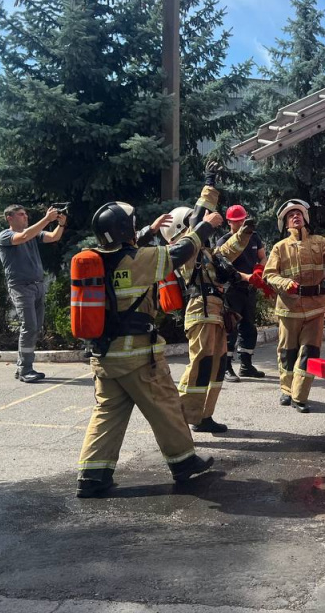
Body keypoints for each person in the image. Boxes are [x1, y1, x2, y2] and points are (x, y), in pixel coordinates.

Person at [75, 200, 217, 498]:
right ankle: (183, 462)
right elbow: (179, 252)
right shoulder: (140, 260)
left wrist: (149, 231)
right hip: (138, 357)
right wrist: (205, 226)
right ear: (125, 229)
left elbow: (125, 250)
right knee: (166, 406)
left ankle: (92, 475)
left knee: (107, 414)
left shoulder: (98, 261)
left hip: (105, 357)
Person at [164, 171, 257, 435]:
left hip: (214, 311)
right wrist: (209, 186)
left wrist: (244, 233)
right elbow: (198, 221)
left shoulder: (204, 252)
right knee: (201, 364)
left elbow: (226, 252)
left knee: (216, 365)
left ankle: (203, 416)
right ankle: (180, 418)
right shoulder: (185, 251)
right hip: (200, 310)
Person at [263, 199, 325, 413]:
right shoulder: (280, 247)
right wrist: (285, 283)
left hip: (315, 308)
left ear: (305, 218)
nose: (296, 216)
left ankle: (299, 396)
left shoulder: (320, 242)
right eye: (291, 215)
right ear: (285, 224)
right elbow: (269, 275)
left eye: (298, 213)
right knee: (287, 352)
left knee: (309, 353)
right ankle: (286, 390)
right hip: (289, 309)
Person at [0, 204, 67, 383]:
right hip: (21, 287)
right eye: (21, 214)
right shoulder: (5, 236)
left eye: (26, 214)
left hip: (37, 286)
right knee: (28, 326)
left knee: (35, 327)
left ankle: (23, 367)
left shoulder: (32, 233)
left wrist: (61, 224)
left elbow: (53, 237)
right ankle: (25, 370)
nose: (25, 216)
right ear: (10, 218)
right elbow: (23, 236)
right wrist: (47, 219)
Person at [217, 204, 267, 380]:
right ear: (229, 222)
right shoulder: (224, 242)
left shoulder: (254, 237)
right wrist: (247, 277)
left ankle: (246, 366)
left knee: (249, 328)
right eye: (236, 221)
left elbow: (262, 256)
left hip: (249, 289)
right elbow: (225, 268)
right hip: (232, 289)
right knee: (230, 328)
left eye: (242, 220)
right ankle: (226, 367)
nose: (240, 224)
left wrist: (259, 270)